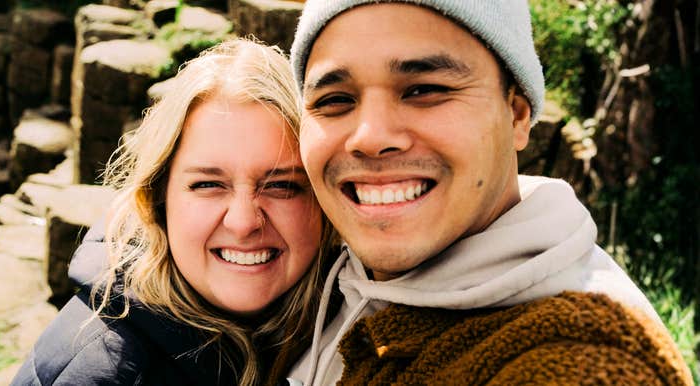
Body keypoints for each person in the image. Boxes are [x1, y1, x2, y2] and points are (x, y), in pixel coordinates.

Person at [286, 1, 693, 385]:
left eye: (424, 89)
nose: (370, 137)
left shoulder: (587, 355)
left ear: (517, 113)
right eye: (335, 100)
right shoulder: (310, 286)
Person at [11, 38, 336, 386]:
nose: (243, 223)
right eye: (208, 185)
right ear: (157, 200)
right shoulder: (100, 371)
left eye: (281, 186)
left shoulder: (346, 330)